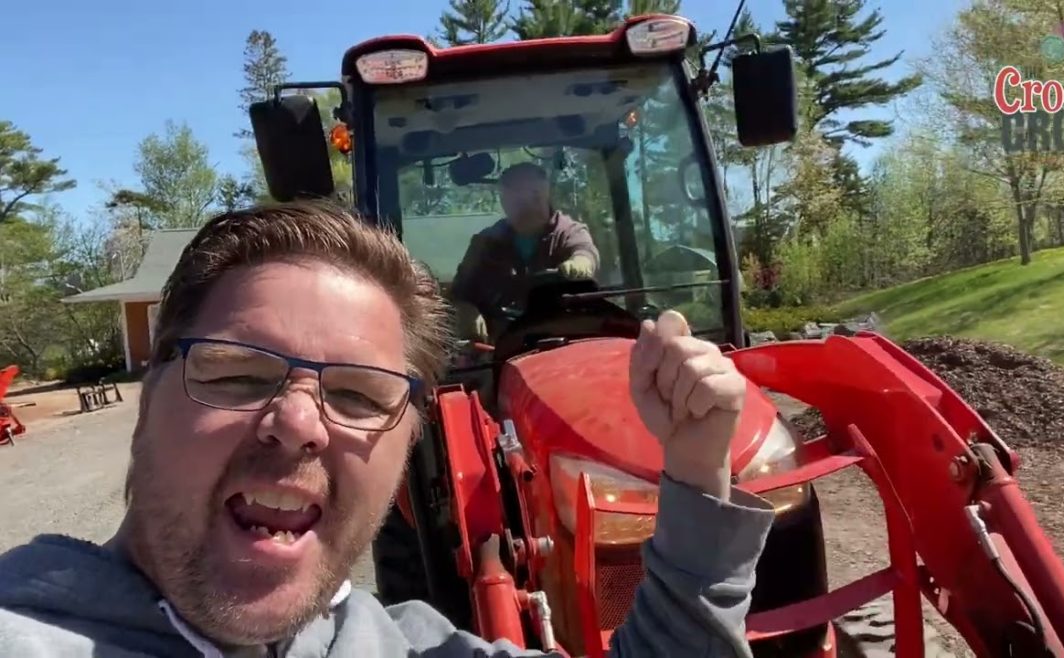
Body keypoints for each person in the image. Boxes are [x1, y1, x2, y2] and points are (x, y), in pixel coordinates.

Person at [0, 200, 777, 658]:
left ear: (406, 438)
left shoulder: (407, 647)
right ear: (148, 399)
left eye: (360, 395)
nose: (298, 423)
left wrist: (695, 470)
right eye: (236, 374)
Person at [449, 162, 601, 342]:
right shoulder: (485, 244)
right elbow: (458, 293)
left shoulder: (568, 232)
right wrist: (465, 310)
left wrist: (581, 263)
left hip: (564, 341)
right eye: (520, 199)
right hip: (500, 347)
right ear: (505, 202)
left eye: (536, 196)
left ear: (547, 194)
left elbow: (584, 251)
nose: (531, 205)